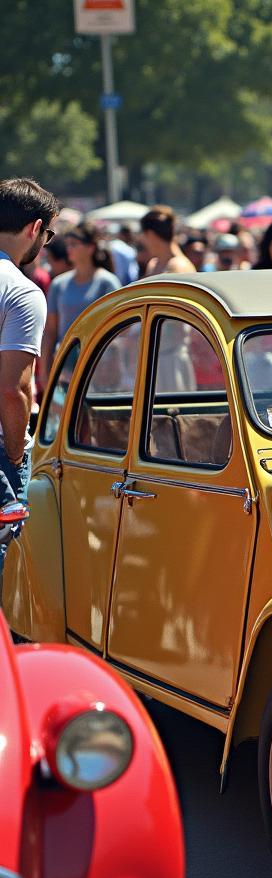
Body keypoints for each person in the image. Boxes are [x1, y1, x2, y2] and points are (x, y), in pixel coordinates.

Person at [0, 178, 60, 591]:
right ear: (35, 229)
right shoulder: (21, 292)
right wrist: (17, 452)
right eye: (49, 234)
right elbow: (13, 388)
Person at [41, 223, 120, 381]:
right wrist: (45, 371)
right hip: (64, 367)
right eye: (67, 244)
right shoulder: (59, 284)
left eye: (74, 244)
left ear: (90, 248)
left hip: (98, 367)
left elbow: (117, 332)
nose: (68, 249)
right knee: (61, 406)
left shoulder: (108, 282)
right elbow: (50, 331)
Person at [140, 206, 193, 276]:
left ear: (150, 235)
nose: (141, 239)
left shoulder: (179, 266)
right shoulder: (154, 264)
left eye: (143, 234)